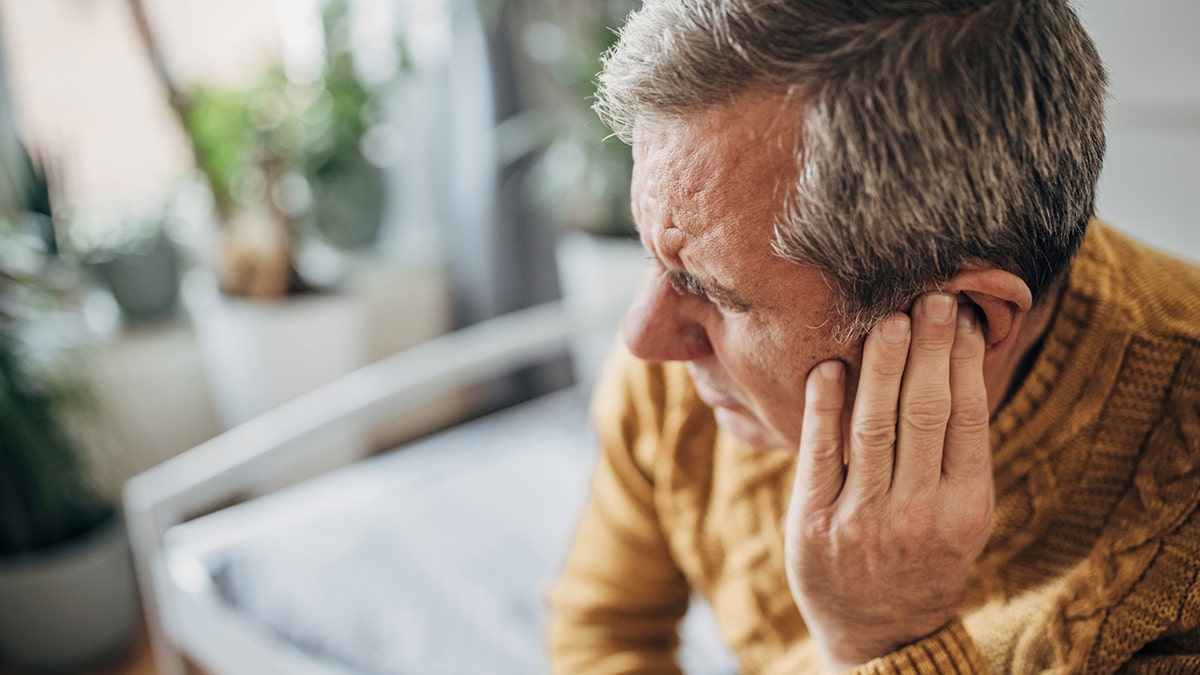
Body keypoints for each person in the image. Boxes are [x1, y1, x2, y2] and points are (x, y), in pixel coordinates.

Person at [547, 0, 1200, 673]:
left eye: (712, 291)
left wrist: (880, 641)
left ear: (965, 313)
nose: (643, 335)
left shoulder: (1178, 552)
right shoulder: (685, 358)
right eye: (654, 257)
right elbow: (603, 630)